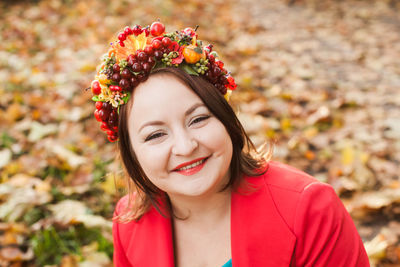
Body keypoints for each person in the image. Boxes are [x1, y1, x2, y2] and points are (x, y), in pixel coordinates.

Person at [89, 21, 370, 267]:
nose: (186, 147)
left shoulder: (310, 210)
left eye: (198, 119)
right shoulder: (128, 224)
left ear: (225, 119)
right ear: (132, 152)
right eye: (155, 135)